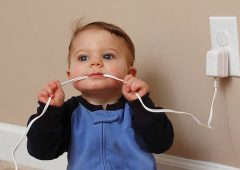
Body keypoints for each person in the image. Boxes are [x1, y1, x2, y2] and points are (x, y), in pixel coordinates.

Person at [27, 21, 174, 170]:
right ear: (70, 75)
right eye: (83, 58)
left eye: (108, 56)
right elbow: (41, 152)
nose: (95, 62)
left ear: (129, 74)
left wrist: (141, 103)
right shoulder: (68, 112)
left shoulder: (138, 108)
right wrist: (49, 112)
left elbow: (162, 143)